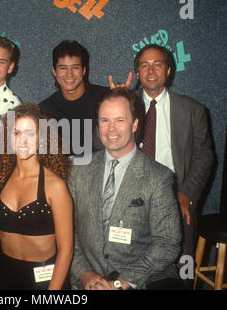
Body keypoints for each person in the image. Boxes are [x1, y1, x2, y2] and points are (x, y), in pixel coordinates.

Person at [69, 87, 183, 290]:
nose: (111, 128)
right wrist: (84, 273)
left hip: (144, 278)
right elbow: (68, 231)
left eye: (120, 120)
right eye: (105, 120)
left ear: (135, 124)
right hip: (88, 278)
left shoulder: (159, 177)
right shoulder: (78, 170)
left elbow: (167, 242)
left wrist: (121, 283)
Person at [129, 44, 214, 273]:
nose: (151, 71)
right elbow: (100, 145)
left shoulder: (193, 110)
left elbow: (204, 157)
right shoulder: (124, 105)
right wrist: (116, 100)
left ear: (168, 70)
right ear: (137, 73)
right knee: (127, 270)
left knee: (175, 272)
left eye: (158, 64)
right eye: (144, 66)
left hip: (174, 199)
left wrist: (187, 193)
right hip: (129, 202)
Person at [0, 103, 73, 290]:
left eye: (30, 133)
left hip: (44, 280)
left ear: (41, 138)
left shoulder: (55, 186)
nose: (22, 141)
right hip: (3, 274)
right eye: (16, 133)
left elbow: (66, 249)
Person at [39, 40, 107, 156]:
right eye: (63, 68)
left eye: (75, 67)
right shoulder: (45, 109)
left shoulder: (106, 98)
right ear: (54, 71)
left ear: (84, 70)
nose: (69, 74)